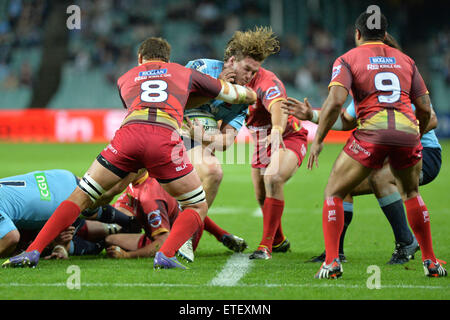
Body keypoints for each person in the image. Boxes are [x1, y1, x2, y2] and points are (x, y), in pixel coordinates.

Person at [2, 37, 256, 269]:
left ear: (139, 59)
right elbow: (237, 95)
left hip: (129, 135)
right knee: (197, 204)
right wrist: (251, 93)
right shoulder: (183, 72)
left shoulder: (125, 78)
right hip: (163, 137)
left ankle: (32, 251)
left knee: (81, 196)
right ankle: (165, 254)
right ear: (168, 60)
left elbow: (143, 101)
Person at [303, 11, 446, 278]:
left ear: (357, 34)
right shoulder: (406, 62)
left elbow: (335, 102)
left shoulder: (349, 60)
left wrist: (318, 140)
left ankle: (333, 262)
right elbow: (426, 110)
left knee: (334, 189)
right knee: (411, 194)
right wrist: (414, 133)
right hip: (407, 135)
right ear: (384, 34)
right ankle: (431, 261)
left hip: (375, 136)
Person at [283, 98, 441, 264]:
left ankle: (406, 242)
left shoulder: (403, 85)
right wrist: (312, 115)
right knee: (343, 186)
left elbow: (432, 119)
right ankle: (336, 252)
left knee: (381, 178)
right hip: (386, 153)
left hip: (424, 153)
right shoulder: (364, 89)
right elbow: (345, 121)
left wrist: (403, 141)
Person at [214, 27, 309, 260]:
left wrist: (277, 129)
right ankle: (278, 240)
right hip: (261, 141)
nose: (249, 75)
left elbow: (277, 105)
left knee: (273, 178)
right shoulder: (221, 80)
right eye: (246, 69)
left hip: (287, 137)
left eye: (253, 70)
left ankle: (265, 247)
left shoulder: (267, 81)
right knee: (260, 195)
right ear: (232, 61)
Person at [0, 169, 136, 259]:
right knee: (100, 209)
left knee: (64, 241)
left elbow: (10, 238)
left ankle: (112, 237)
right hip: (56, 179)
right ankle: (127, 226)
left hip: (61, 202)